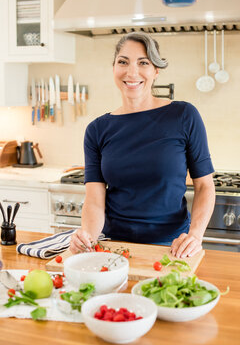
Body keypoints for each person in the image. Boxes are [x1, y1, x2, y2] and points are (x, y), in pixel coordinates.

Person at [70, 32, 215, 258]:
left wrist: (195, 236)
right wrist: (87, 236)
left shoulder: (184, 115)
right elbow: (95, 199)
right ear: (114, 68)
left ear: (156, 71)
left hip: (172, 246)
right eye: (123, 62)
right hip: (114, 246)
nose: (132, 72)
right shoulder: (97, 130)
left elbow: (205, 186)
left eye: (143, 62)